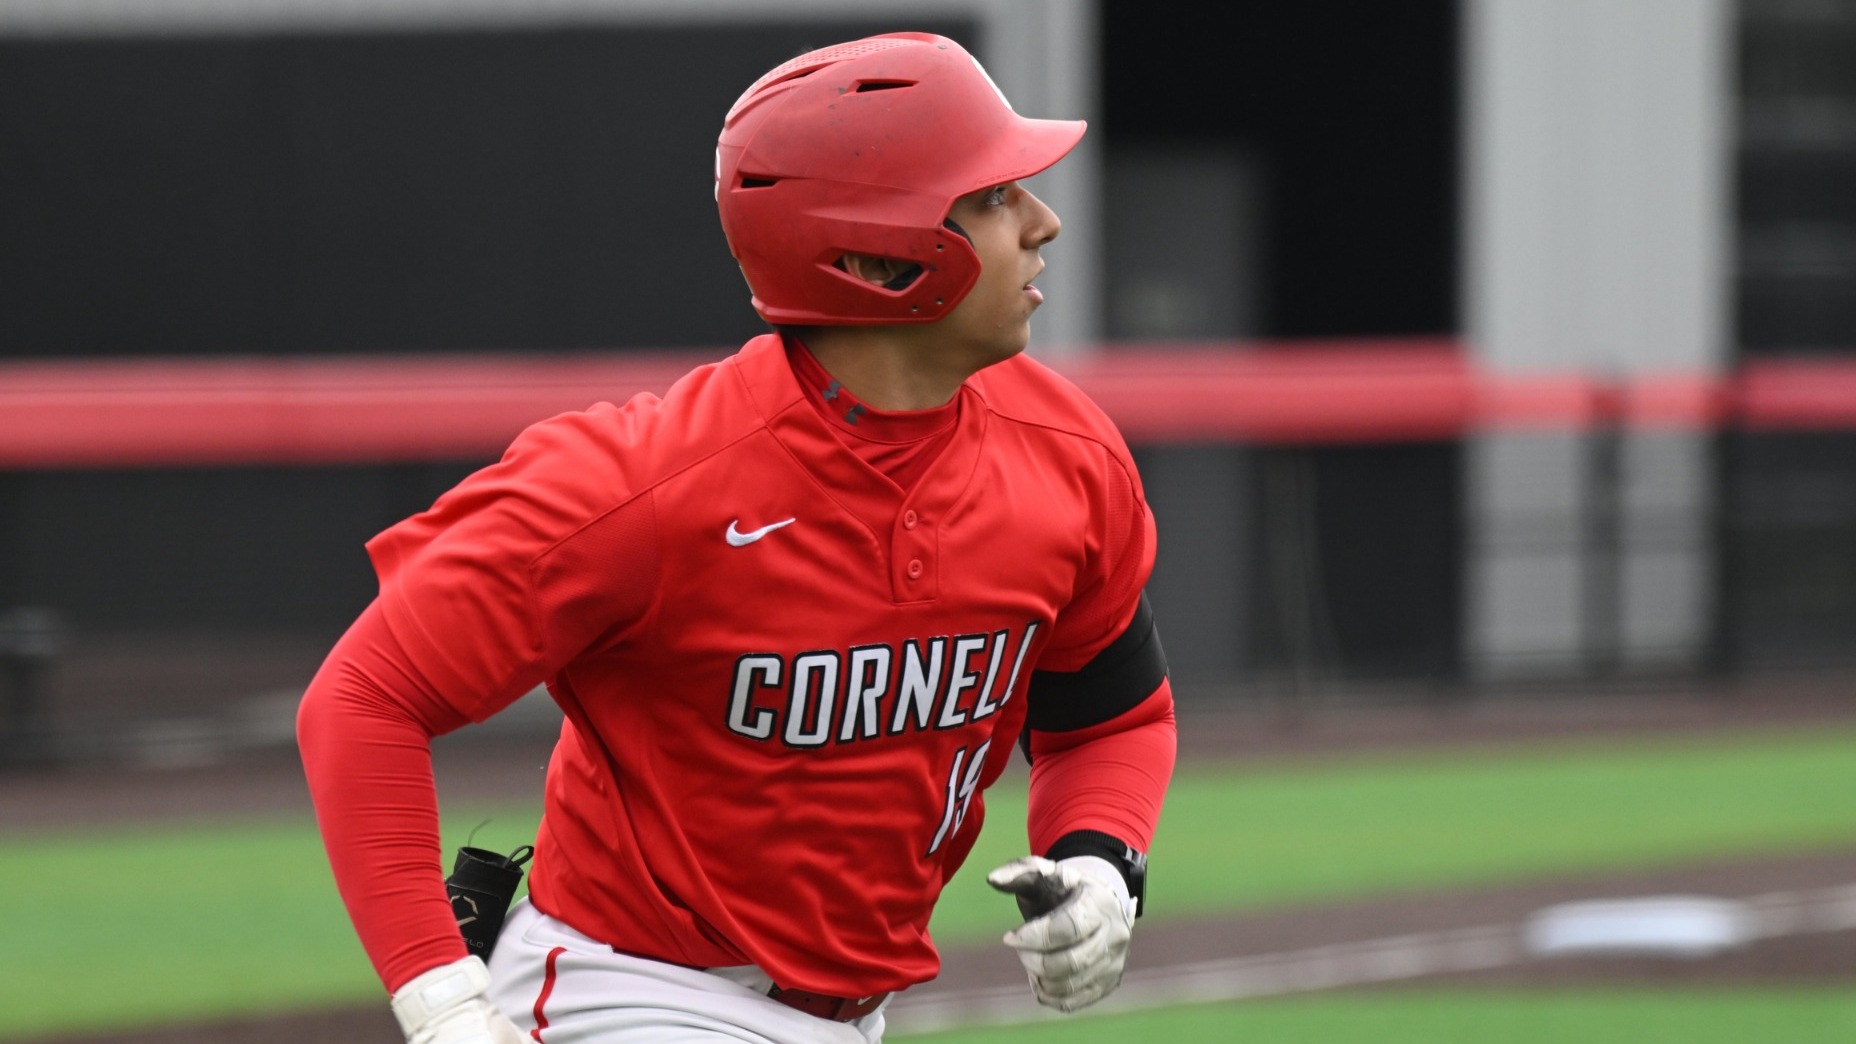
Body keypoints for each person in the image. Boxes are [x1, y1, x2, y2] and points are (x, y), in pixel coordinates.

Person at [297, 30, 1176, 1044]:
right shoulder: (646, 483)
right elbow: (362, 698)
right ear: (874, 256)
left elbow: (1107, 717)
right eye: (988, 197)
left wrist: (1101, 857)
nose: (1042, 221)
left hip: (850, 1017)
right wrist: (439, 995)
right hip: (632, 995)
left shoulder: (1064, 453)